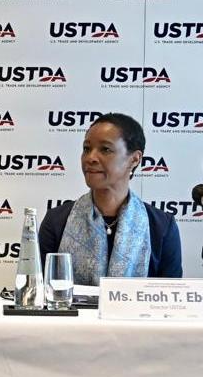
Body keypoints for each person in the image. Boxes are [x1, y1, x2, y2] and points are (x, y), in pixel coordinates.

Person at [38, 112, 182, 284]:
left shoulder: (161, 227)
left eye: (105, 149)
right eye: (87, 149)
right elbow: (40, 292)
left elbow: (171, 295)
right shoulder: (56, 221)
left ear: (134, 159)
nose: (91, 158)